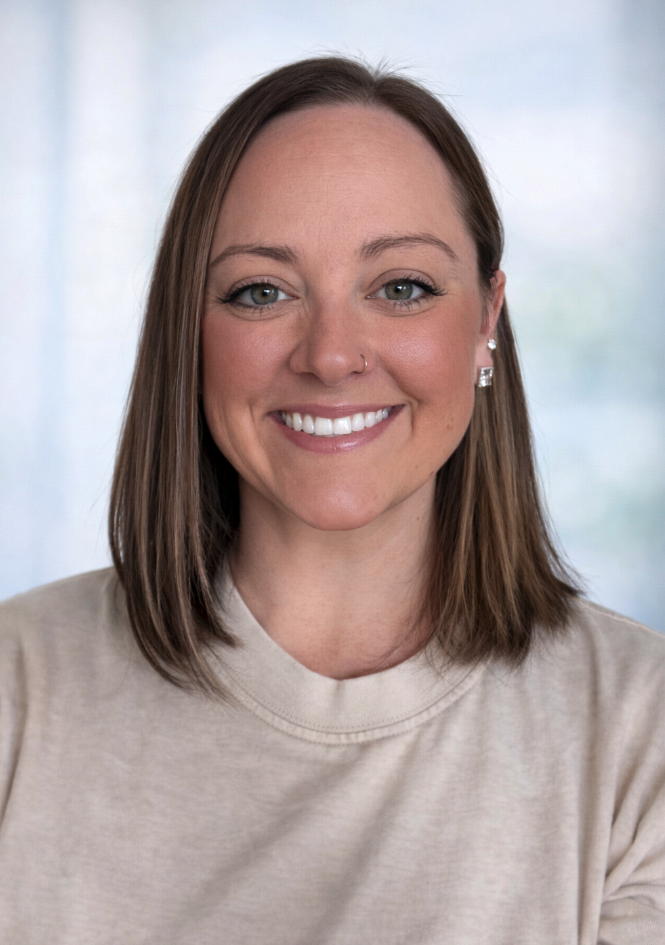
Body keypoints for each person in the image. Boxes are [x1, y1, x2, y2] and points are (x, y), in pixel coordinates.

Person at [1, 56, 663, 945]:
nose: (330, 355)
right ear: (185, 328)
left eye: (401, 288)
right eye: (261, 292)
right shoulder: (17, 690)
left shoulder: (638, 731)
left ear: (485, 320)